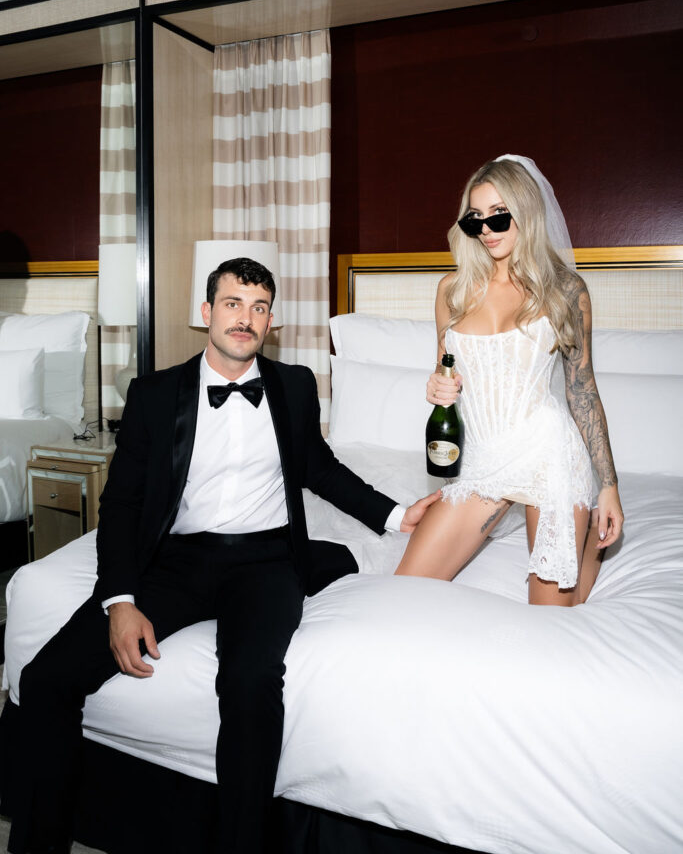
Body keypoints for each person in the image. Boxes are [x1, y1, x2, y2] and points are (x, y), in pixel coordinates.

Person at [8, 256, 440, 854]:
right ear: (207, 313)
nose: (247, 318)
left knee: (248, 682)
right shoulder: (155, 394)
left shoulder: (293, 385)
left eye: (259, 307)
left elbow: (318, 467)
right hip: (176, 561)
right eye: (234, 304)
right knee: (45, 679)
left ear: (271, 321)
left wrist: (397, 516)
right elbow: (123, 506)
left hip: (265, 563)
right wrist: (120, 600)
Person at [395, 155, 624, 605]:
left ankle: (585, 559)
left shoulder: (565, 291)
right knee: (403, 593)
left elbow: (582, 391)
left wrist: (609, 487)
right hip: (482, 461)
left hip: (547, 454)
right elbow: (448, 376)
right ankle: (580, 558)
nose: (488, 228)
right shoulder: (451, 291)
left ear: (525, 211)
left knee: (548, 621)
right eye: (476, 219)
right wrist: (438, 388)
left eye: (500, 214)